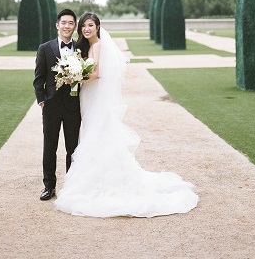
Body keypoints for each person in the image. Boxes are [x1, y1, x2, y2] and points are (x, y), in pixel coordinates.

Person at [53, 12, 199, 217]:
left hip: (95, 96)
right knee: (93, 132)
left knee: (97, 133)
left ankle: (101, 181)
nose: (86, 29)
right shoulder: (86, 46)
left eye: (90, 25)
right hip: (89, 96)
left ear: (97, 27)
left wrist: (73, 77)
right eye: (84, 26)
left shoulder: (97, 45)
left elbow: (95, 74)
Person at [33, 9, 81, 201]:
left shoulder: (80, 49)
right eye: (64, 22)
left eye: (71, 23)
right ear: (57, 25)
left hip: (73, 105)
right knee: (49, 146)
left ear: (74, 26)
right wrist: (42, 100)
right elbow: (38, 78)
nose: (67, 26)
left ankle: (71, 185)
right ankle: (49, 186)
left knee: (73, 147)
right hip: (51, 105)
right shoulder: (45, 48)